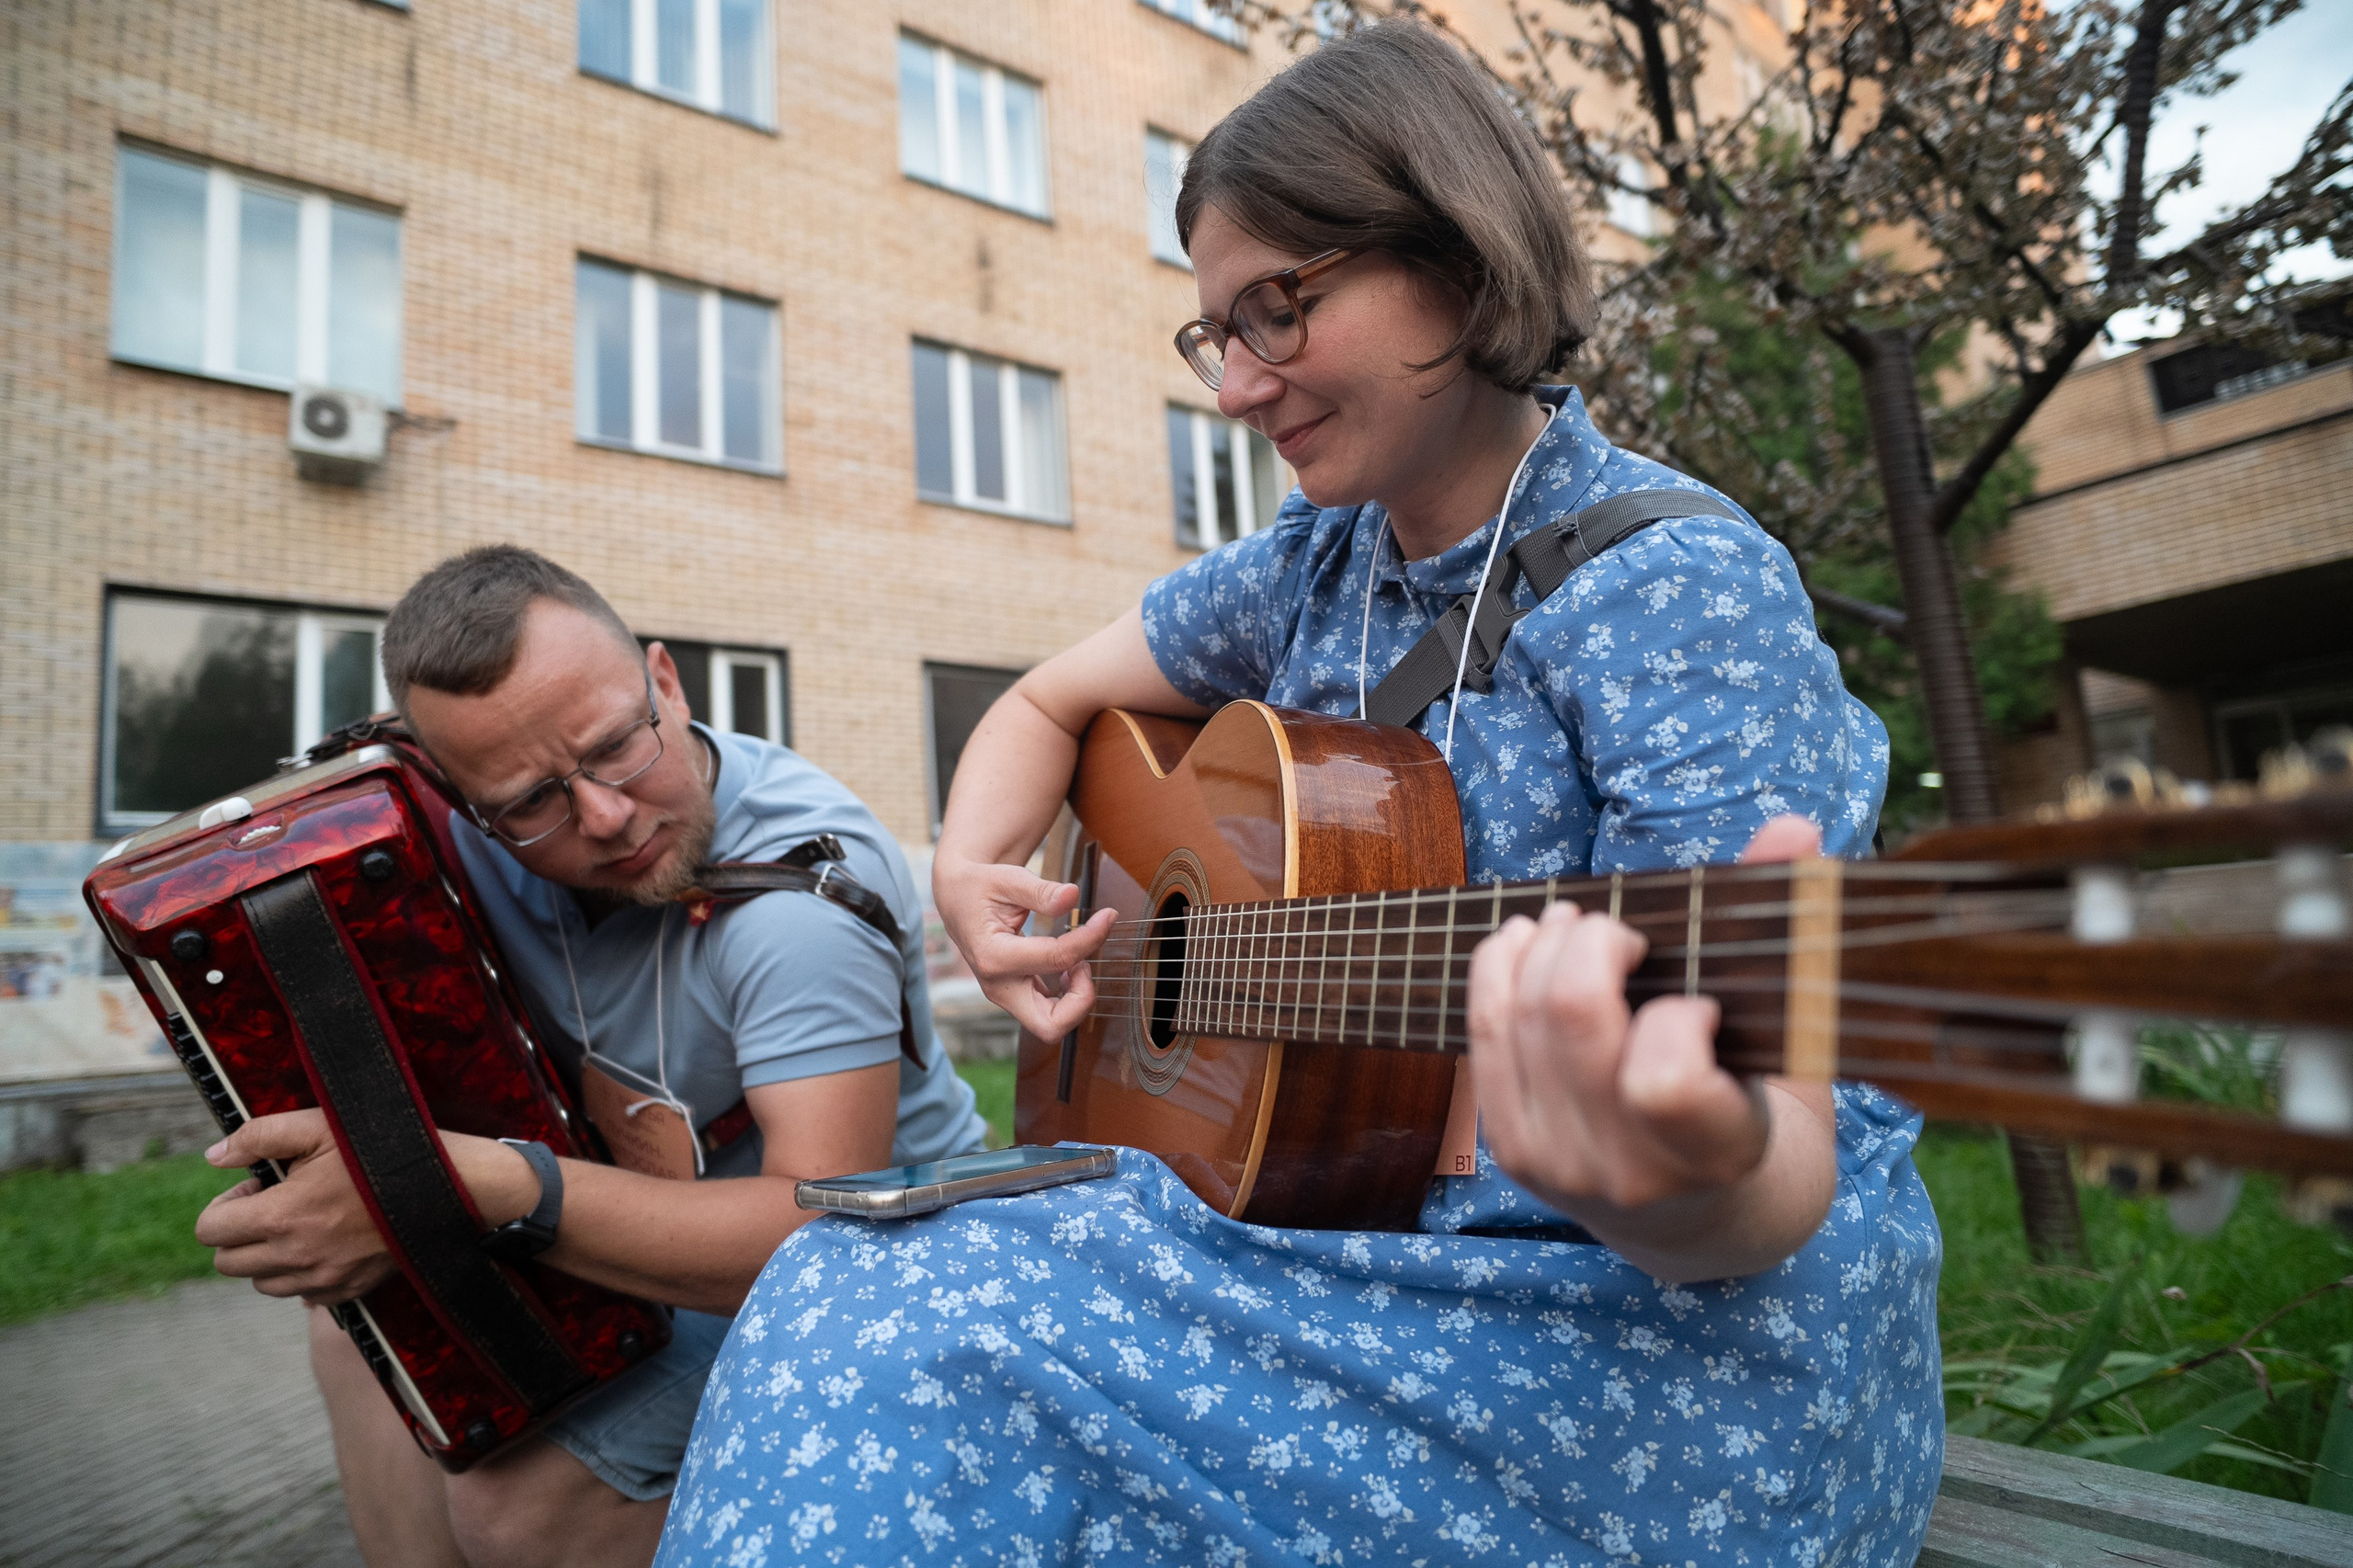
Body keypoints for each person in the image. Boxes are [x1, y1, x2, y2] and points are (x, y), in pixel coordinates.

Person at [658, 21, 1939, 1567]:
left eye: (1280, 310)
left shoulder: (1676, 590)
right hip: (1348, 1239)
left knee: (889, 1318)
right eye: (1215, 334)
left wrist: (1678, 1168)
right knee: (847, 1267)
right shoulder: (1314, 563)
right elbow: (1045, 700)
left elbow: (1776, 1173)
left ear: (1458, 256)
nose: (1238, 387)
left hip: (1654, 1359)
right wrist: (975, 868)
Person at [192, 546, 989, 1568]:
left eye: (617, 744)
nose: (607, 816)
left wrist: (470, 1184)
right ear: (459, 800)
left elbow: (813, 1229)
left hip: (897, 1262)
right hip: (653, 1223)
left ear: (666, 681)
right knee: (367, 1325)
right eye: (533, 801)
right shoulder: (451, 836)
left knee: (525, 1506)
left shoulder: (801, 904)